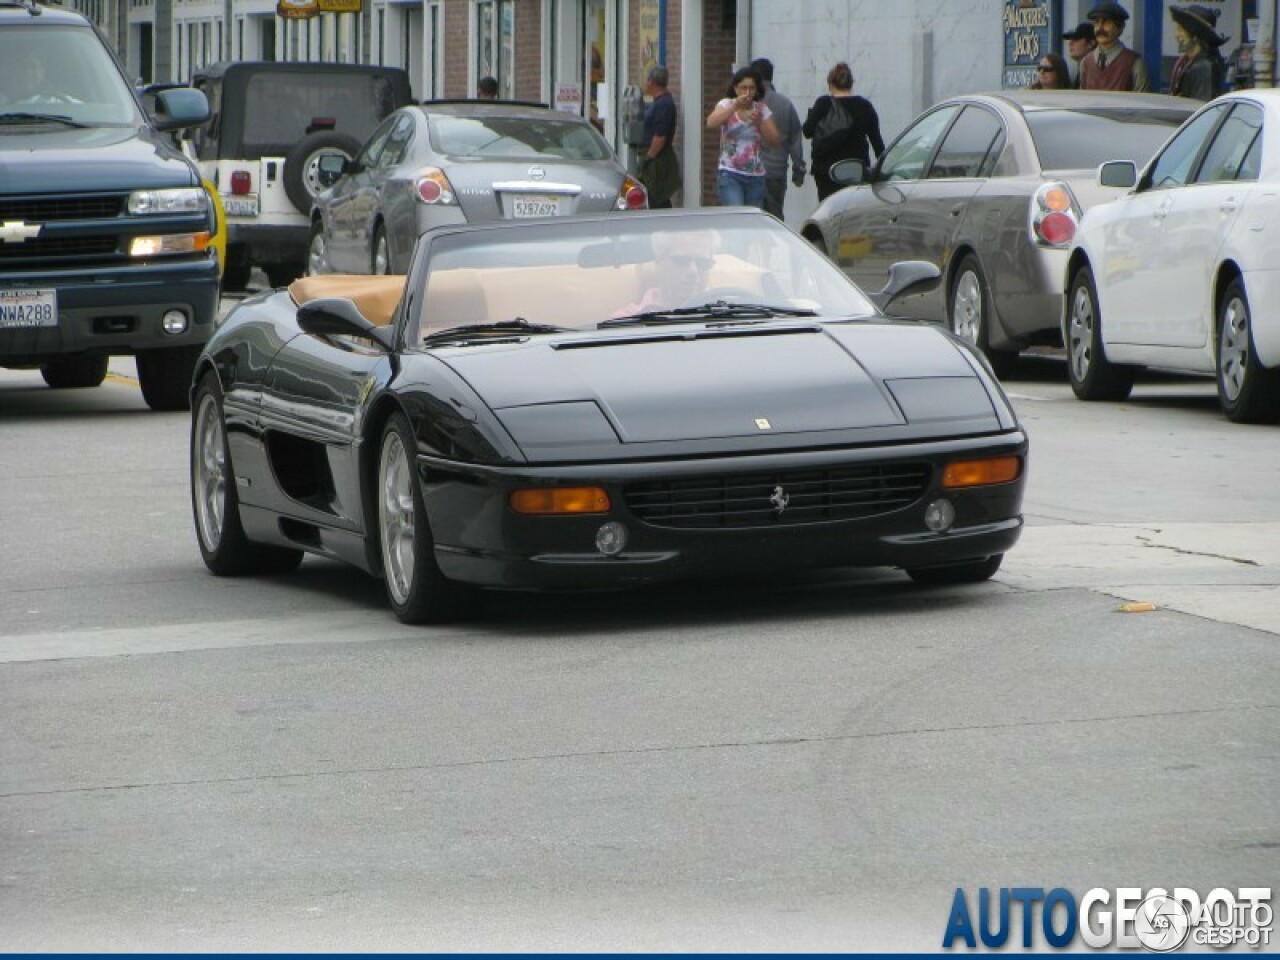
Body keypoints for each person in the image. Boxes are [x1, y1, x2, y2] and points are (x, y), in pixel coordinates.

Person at [802, 61, 884, 203]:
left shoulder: (823, 103)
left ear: (830, 84)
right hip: (856, 170)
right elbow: (877, 143)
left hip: (825, 172)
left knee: (828, 212)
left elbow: (807, 131)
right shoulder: (865, 106)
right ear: (851, 83)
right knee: (853, 211)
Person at [705, 66, 781, 209]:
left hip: (755, 174)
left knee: (751, 220)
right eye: (743, 88)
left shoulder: (761, 109)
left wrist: (759, 122)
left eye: (751, 88)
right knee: (736, 213)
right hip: (730, 172)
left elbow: (775, 141)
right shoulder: (726, 104)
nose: (747, 93)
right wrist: (734, 107)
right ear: (735, 88)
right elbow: (711, 122)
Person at [748, 57, 806, 220]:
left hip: (749, 171)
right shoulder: (785, 103)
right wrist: (798, 168)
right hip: (776, 171)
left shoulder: (747, 103)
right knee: (774, 219)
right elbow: (795, 138)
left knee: (751, 219)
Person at [612, 230, 718, 317]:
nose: (693, 271)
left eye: (703, 262)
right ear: (659, 262)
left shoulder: (728, 311)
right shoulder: (626, 320)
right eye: (681, 261)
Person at [1079, 2, 1149, 92]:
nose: (1100, 28)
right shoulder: (1086, 62)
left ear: (1120, 28)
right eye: (1096, 23)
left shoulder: (1134, 62)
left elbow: (1142, 100)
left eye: (1107, 23)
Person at [638, 65, 680, 209]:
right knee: (652, 196)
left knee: (656, 196)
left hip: (657, 159)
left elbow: (660, 136)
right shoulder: (659, 102)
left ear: (651, 82)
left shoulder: (663, 105)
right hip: (654, 156)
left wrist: (648, 159)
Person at [1169, 5, 1228, 102]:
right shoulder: (1189, 63)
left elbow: (1199, 106)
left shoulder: (1204, 67)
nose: (1177, 35)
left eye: (1180, 30)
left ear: (1196, 35)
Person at [1062, 21, 1098, 88]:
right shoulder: (1081, 70)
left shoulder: (1095, 71)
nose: (1070, 43)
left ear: (1091, 43)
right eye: (1070, 39)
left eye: (1076, 39)